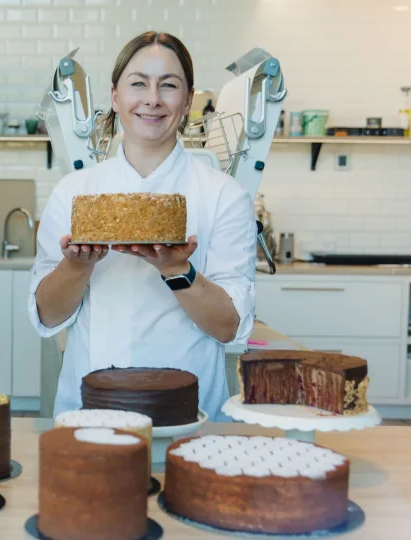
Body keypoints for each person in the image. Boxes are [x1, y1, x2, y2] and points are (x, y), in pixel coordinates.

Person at [30, 31, 257, 421]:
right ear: (115, 96)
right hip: (92, 411)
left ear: (187, 101)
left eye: (168, 85)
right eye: (138, 83)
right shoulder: (76, 193)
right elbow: (48, 316)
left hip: (190, 414)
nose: (152, 98)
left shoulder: (224, 195)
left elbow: (228, 327)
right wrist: (77, 265)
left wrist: (176, 269)